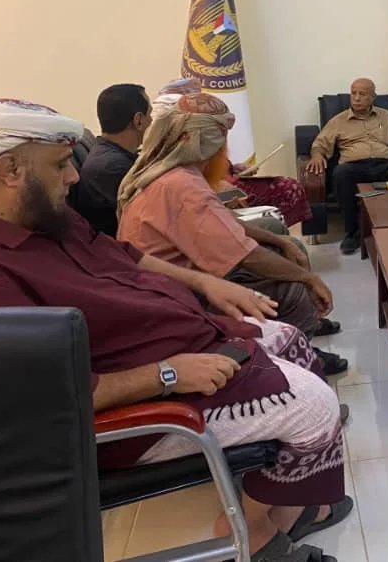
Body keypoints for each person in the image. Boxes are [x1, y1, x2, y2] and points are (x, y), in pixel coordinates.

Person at [0, 98, 353, 562]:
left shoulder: (47, 220)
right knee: (317, 408)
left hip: (184, 336)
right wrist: (168, 373)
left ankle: (288, 497)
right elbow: (48, 397)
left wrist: (207, 284)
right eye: (60, 164)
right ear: (10, 169)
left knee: (291, 339)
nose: (74, 175)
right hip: (142, 401)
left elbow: (128, 257)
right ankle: (254, 534)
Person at [117, 93, 348, 375]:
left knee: (284, 245)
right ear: (210, 144)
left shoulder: (174, 173)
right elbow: (248, 255)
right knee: (292, 289)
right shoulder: (182, 186)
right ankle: (298, 362)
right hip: (180, 299)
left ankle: (298, 334)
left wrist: (279, 242)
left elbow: (224, 222)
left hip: (178, 280)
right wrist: (308, 278)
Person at [151, 78, 313, 228]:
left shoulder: (196, 130)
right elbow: (191, 179)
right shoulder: (175, 134)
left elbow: (208, 161)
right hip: (212, 191)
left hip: (222, 184)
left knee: (284, 197)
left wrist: (232, 168)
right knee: (285, 193)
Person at [305, 77, 388, 255]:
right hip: (353, 167)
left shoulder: (386, 116)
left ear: (373, 97)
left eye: (362, 94)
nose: (356, 98)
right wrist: (317, 155)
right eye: (353, 93)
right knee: (341, 173)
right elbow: (320, 144)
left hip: (384, 165)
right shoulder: (338, 121)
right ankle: (352, 232)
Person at [72, 83, 151, 236]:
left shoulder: (113, 156)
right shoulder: (112, 168)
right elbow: (154, 212)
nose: (152, 121)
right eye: (150, 115)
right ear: (139, 120)